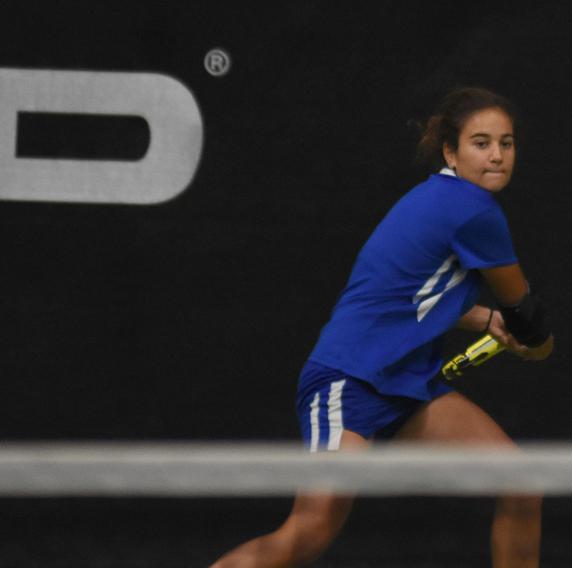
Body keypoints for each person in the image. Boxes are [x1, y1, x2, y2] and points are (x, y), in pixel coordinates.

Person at [212, 86, 554, 568]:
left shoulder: (437, 198)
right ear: (451, 152)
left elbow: (409, 295)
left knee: (520, 484)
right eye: (481, 143)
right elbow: (525, 313)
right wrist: (535, 343)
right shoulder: (473, 210)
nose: (497, 155)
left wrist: (484, 318)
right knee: (308, 532)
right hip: (349, 379)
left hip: (407, 386)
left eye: (507, 142)